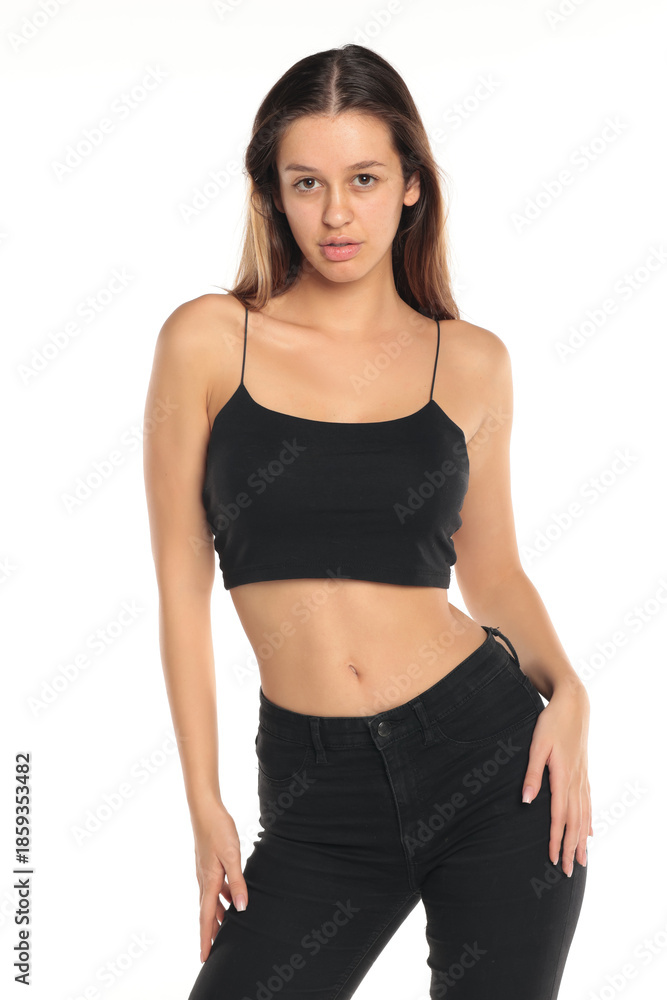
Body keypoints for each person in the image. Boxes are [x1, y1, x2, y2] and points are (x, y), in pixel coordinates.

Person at [143, 43, 591, 1000]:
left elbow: (494, 573)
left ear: (411, 185)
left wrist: (571, 693)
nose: (336, 214)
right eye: (306, 182)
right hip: (317, 796)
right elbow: (181, 590)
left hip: (492, 767)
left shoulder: (470, 362)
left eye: (364, 179)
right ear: (273, 193)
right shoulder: (208, 341)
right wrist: (203, 803)